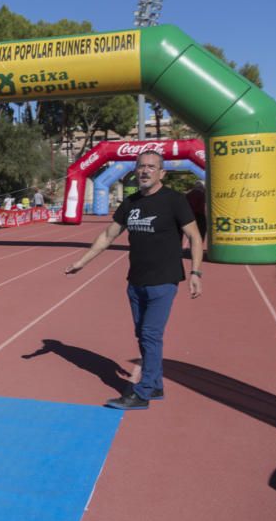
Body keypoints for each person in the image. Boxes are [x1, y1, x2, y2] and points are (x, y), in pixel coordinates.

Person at [64, 150, 203, 410]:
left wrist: (196, 272)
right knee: (142, 334)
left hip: (164, 281)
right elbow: (107, 236)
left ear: (161, 173)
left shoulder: (174, 201)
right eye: (141, 166)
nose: (145, 171)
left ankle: (143, 391)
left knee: (151, 334)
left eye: (151, 167)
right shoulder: (131, 203)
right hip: (136, 281)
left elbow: (195, 237)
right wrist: (81, 263)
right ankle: (157, 383)